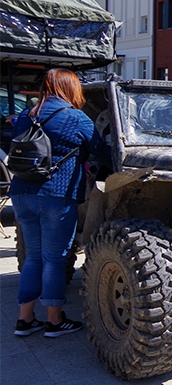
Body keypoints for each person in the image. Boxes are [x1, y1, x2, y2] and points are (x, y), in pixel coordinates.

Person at [11, 68, 111, 337]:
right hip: (56, 195)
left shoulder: (26, 115)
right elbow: (102, 151)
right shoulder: (75, 117)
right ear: (70, 88)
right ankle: (54, 322)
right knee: (54, 259)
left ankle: (25, 319)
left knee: (33, 257)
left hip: (21, 193)